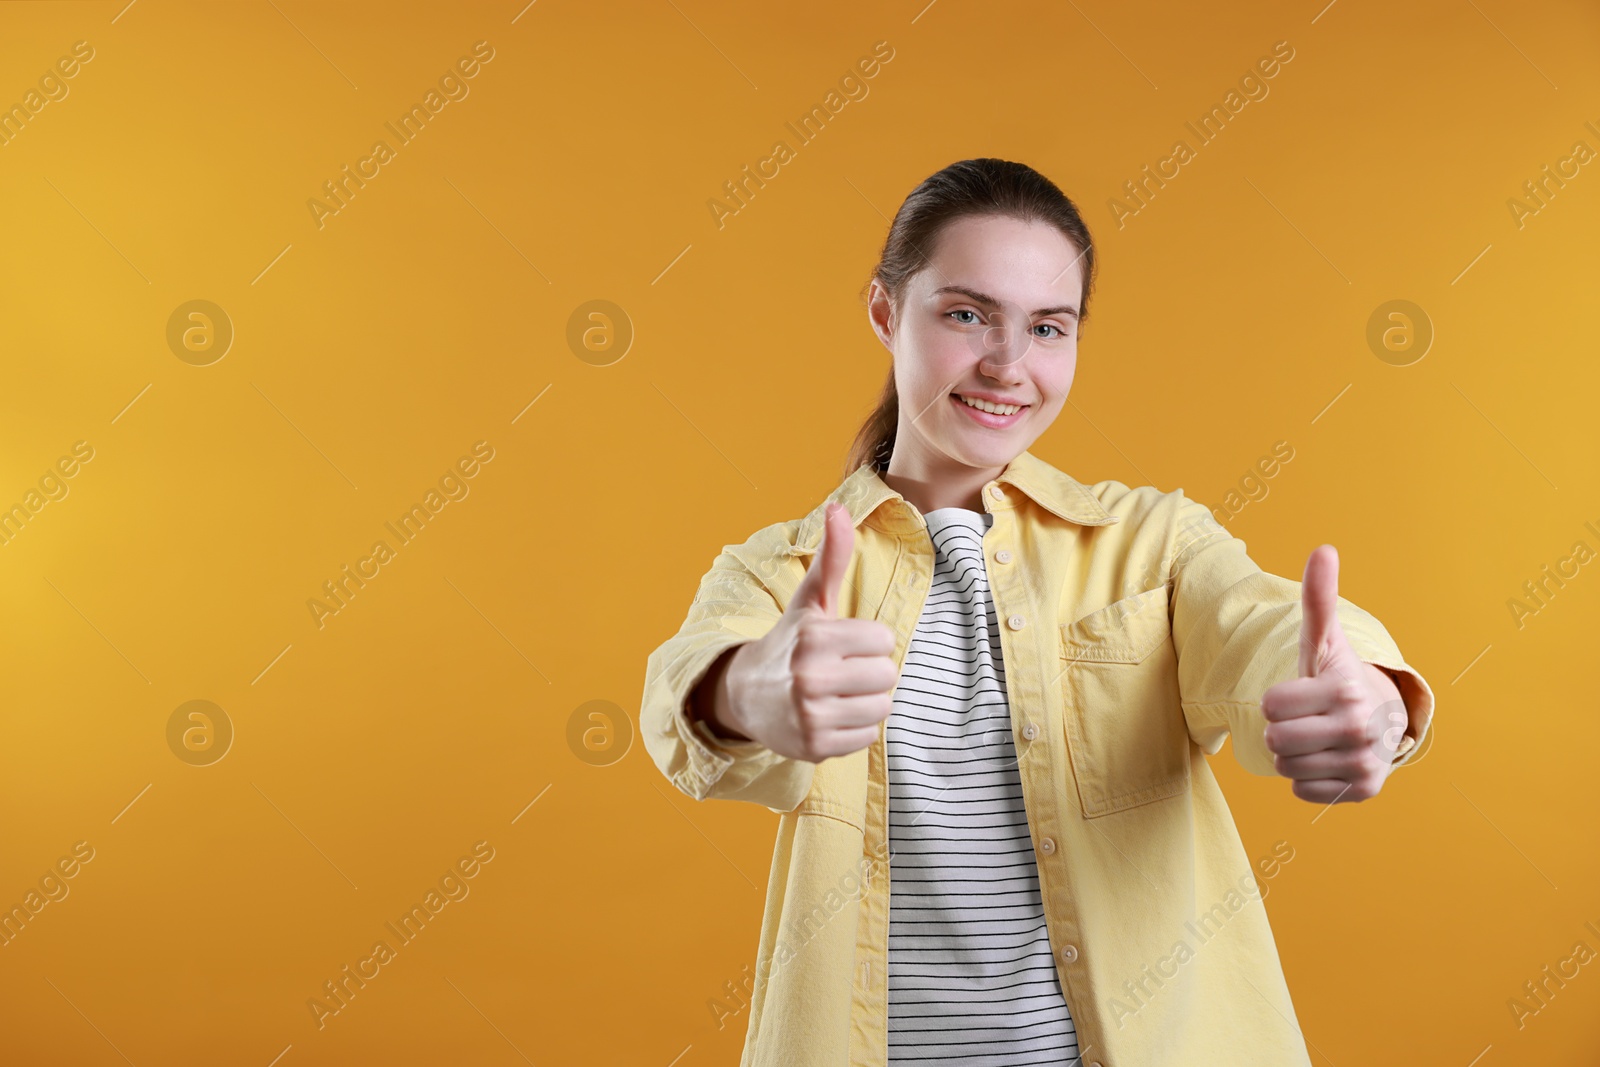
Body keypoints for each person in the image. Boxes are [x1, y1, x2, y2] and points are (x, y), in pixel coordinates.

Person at [640, 158, 1435, 1067]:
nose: (1008, 364)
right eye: (967, 313)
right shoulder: (786, 569)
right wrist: (744, 693)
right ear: (885, 313)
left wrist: (1361, 692)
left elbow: (1261, 629)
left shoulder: (1154, 540)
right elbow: (681, 693)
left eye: (1047, 327)